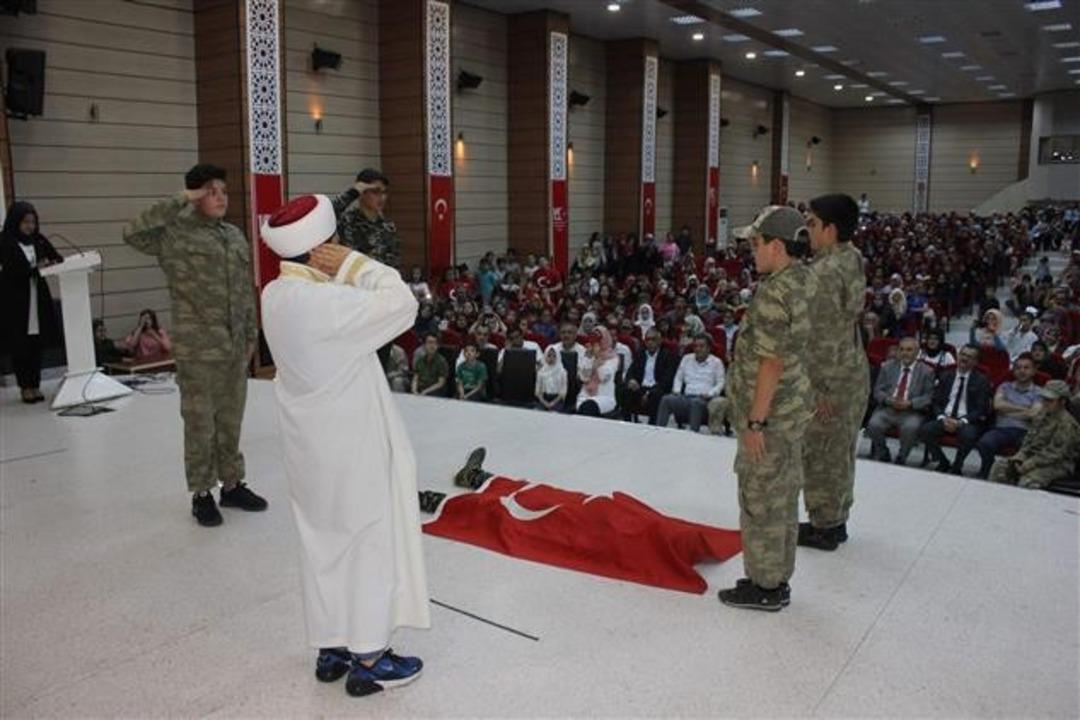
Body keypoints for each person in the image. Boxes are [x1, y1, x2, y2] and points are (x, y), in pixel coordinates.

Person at [258, 194, 428, 697]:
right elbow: (404, 304)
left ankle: (331, 646)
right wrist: (358, 265)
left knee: (323, 543)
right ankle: (370, 658)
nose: (341, 249)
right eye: (335, 244)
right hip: (350, 446)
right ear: (321, 252)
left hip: (308, 449)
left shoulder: (274, 295)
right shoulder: (328, 303)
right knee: (366, 542)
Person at [124, 164, 266, 526]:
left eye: (223, 190)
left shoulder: (234, 236)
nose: (220, 197)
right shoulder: (174, 235)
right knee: (200, 423)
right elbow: (131, 232)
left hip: (234, 348)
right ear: (195, 195)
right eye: (210, 191)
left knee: (231, 420)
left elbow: (245, 291)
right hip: (199, 351)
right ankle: (202, 493)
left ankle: (232, 485)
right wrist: (180, 200)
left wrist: (251, 337)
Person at [718, 206, 814, 612]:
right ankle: (777, 576)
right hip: (792, 410)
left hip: (770, 416)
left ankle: (765, 585)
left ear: (776, 246)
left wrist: (755, 420)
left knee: (761, 498)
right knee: (783, 495)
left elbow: (770, 362)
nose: (750, 251)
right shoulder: (804, 280)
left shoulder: (774, 293)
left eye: (755, 244)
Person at [798, 194, 871, 551]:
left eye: (812, 223)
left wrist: (821, 390)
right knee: (841, 451)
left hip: (832, 376)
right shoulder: (851, 257)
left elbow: (823, 338)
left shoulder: (823, 273)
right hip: (852, 370)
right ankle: (836, 518)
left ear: (830, 228)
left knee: (822, 450)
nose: (807, 230)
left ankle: (824, 525)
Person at [0, 201, 63, 404]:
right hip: (16, 302)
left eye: (33, 222)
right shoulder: (6, 241)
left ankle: (35, 385)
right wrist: (36, 268)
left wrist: (52, 262)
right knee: (21, 345)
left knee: (36, 344)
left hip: (37, 300)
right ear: (16, 221)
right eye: (26, 222)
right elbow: (13, 271)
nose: (30, 227)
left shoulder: (39, 240)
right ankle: (24, 386)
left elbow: (57, 258)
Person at [988, 380, 1080, 490]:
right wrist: (1020, 457)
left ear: (1062, 401)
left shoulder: (1067, 424)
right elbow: (1029, 439)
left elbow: (1055, 454)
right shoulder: (1041, 415)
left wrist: (1030, 464)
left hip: (1057, 464)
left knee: (1028, 482)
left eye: (1050, 400)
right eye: (1044, 399)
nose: (1045, 402)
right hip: (1032, 457)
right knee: (1000, 467)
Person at [918, 344, 993, 475]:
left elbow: (981, 409)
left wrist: (961, 421)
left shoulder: (981, 381)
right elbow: (935, 401)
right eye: (962, 354)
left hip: (967, 420)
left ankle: (957, 465)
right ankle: (942, 461)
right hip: (945, 417)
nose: (964, 358)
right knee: (925, 430)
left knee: (968, 435)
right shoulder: (946, 375)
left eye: (969, 357)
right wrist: (942, 417)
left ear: (975, 362)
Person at [865, 337, 936, 465]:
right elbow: (877, 391)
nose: (905, 353)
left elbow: (928, 397)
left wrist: (911, 403)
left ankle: (902, 457)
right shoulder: (887, 366)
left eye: (909, 350)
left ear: (917, 352)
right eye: (902, 349)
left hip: (911, 410)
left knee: (911, 427)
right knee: (873, 425)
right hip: (888, 408)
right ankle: (883, 453)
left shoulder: (927, 371)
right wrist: (888, 400)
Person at [974, 354, 1042, 479]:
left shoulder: (1038, 392)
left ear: (1033, 371)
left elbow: (1034, 414)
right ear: (1013, 370)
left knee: (1030, 448)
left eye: (1026, 368)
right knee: (985, 442)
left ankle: (1015, 474)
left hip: (1025, 431)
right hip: (1002, 429)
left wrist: (1008, 409)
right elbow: (998, 405)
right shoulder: (1005, 386)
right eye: (1018, 368)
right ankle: (986, 467)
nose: (1022, 371)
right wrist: (1025, 409)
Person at [331, 168, 401, 269]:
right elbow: (327, 212)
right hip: (353, 281)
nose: (382, 197)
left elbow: (394, 263)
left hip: (382, 281)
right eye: (375, 192)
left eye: (384, 192)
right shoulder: (347, 221)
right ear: (362, 192)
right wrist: (353, 192)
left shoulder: (388, 226)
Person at [656, 335, 725, 433]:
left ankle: (693, 434)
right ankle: (659, 431)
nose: (698, 349)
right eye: (696, 346)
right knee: (666, 399)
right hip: (686, 397)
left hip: (704, 400)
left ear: (709, 348)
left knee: (696, 403)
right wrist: (677, 390)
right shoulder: (686, 359)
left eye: (701, 346)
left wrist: (710, 394)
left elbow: (721, 383)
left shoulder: (717, 362)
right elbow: (678, 377)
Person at [621, 328, 678, 424]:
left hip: (657, 389)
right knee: (623, 390)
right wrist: (631, 380)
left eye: (653, 339)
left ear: (659, 341)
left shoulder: (668, 356)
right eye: (647, 340)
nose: (650, 342)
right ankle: (628, 422)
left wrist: (650, 392)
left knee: (656, 396)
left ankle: (652, 425)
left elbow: (667, 380)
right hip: (640, 387)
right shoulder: (641, 354)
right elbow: (631, 371)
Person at [576, 327, 619, 417]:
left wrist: (598, 358)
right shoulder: (588, 354)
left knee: (589, 407)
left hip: (604, 397)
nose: (597, 342)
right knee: (585, 406)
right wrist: (588, 358)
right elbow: (584, 378)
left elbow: (604, 377)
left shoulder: (613, 358)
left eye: (599, 339)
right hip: (585, 396)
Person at [535, 346, 568, 412]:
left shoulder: (562, 372)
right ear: (545, 356)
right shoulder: (541, 371)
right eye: (549, 355)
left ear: (558, 357)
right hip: (543, 399)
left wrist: (552, 403)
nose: (551, 358)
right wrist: (545, 403)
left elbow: (563, 392)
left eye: (554, 356)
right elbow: (538, 392)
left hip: (557, 400)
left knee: (554, 414)